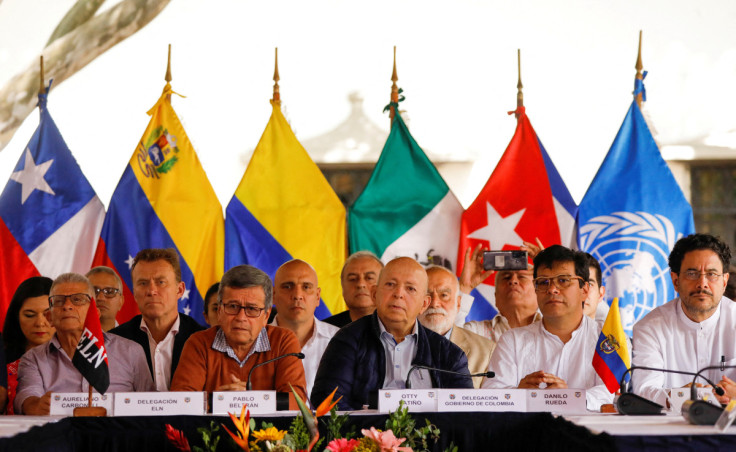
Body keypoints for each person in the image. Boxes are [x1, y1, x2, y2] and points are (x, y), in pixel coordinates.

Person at [312, 257, 473, 410]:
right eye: (390, 284)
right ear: (375, 294)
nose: (399, 294)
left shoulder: (449, 354)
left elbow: (463, 416)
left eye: (410, 288)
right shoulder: (347, 340)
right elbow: (328, 404)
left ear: (424, 304)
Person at [483, 245, 613, 411]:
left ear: (584, 290)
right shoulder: (513, 340)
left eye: (563, 281)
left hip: (589, 434)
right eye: (543, 282)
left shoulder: (605, 340)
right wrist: (519, 394)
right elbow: (491, 393)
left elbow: (608, 394)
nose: (552, 289)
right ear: (536, 290)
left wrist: (567, 397)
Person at [16, 273, 154, 415]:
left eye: (77, 299)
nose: (67, 306)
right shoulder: (33, 359)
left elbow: (150, 405)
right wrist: (37, 406)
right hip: (61, 434)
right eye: (59, 301)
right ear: (49, 317)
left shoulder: (131, 351)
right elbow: (27, 398)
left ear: (95, 312)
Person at [170, 265, 307, 400]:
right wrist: (217, 401)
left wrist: (251, 401)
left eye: (252, 309)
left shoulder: (283, 342)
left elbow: (296, 401)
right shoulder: (199, 343)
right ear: (219, 311)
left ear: (266, 315)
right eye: (233, 306)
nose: (241, 317)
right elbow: (181, 402)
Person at [633, 233, 734, 405]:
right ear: (675, 281)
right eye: (692, 273)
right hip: (669, 428)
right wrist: (681, 396)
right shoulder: (649, 328)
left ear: (724, 282)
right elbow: (643, 391)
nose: (702, 283)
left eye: (711, 274)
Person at [110, 248, 205, 391]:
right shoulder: (115, 341)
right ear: (134, 292)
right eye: (143, 283)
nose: (151, 290)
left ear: (179, 290)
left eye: (161, 282)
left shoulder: (203, 340)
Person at [270, 260, 338, 395]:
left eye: (306, 287)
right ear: (273, 296)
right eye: (288, 287)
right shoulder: (255, 342)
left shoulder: (340, 341)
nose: (297, 295)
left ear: (317, 296)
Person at [418, 265, 493, 388]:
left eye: (444, 295)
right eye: (427, 296)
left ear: (458, 304)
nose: (435, 303)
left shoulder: (485, 351)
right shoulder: (398, 344)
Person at [2, 276, 55, 414]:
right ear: (16, 317)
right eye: (30, 315)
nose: (40, 323)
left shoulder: (75, 357)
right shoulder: (2, 356)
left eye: (48, 314)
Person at [324, 251, 384, 328]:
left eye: (369, 278)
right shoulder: (325, 331)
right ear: (342, 285)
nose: (360, 284)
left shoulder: (400, 328)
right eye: (353, 279)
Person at [86, 266, 124, 332]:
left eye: (109, 291)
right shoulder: (67, 339)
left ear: (121, 301)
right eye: (94, 291)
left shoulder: (133, 340)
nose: (101, 298)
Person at [583, 253, 609, 329]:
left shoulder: (616, 339)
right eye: (576, 284)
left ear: (601, 294)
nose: (582, 291)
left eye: (590, 284)